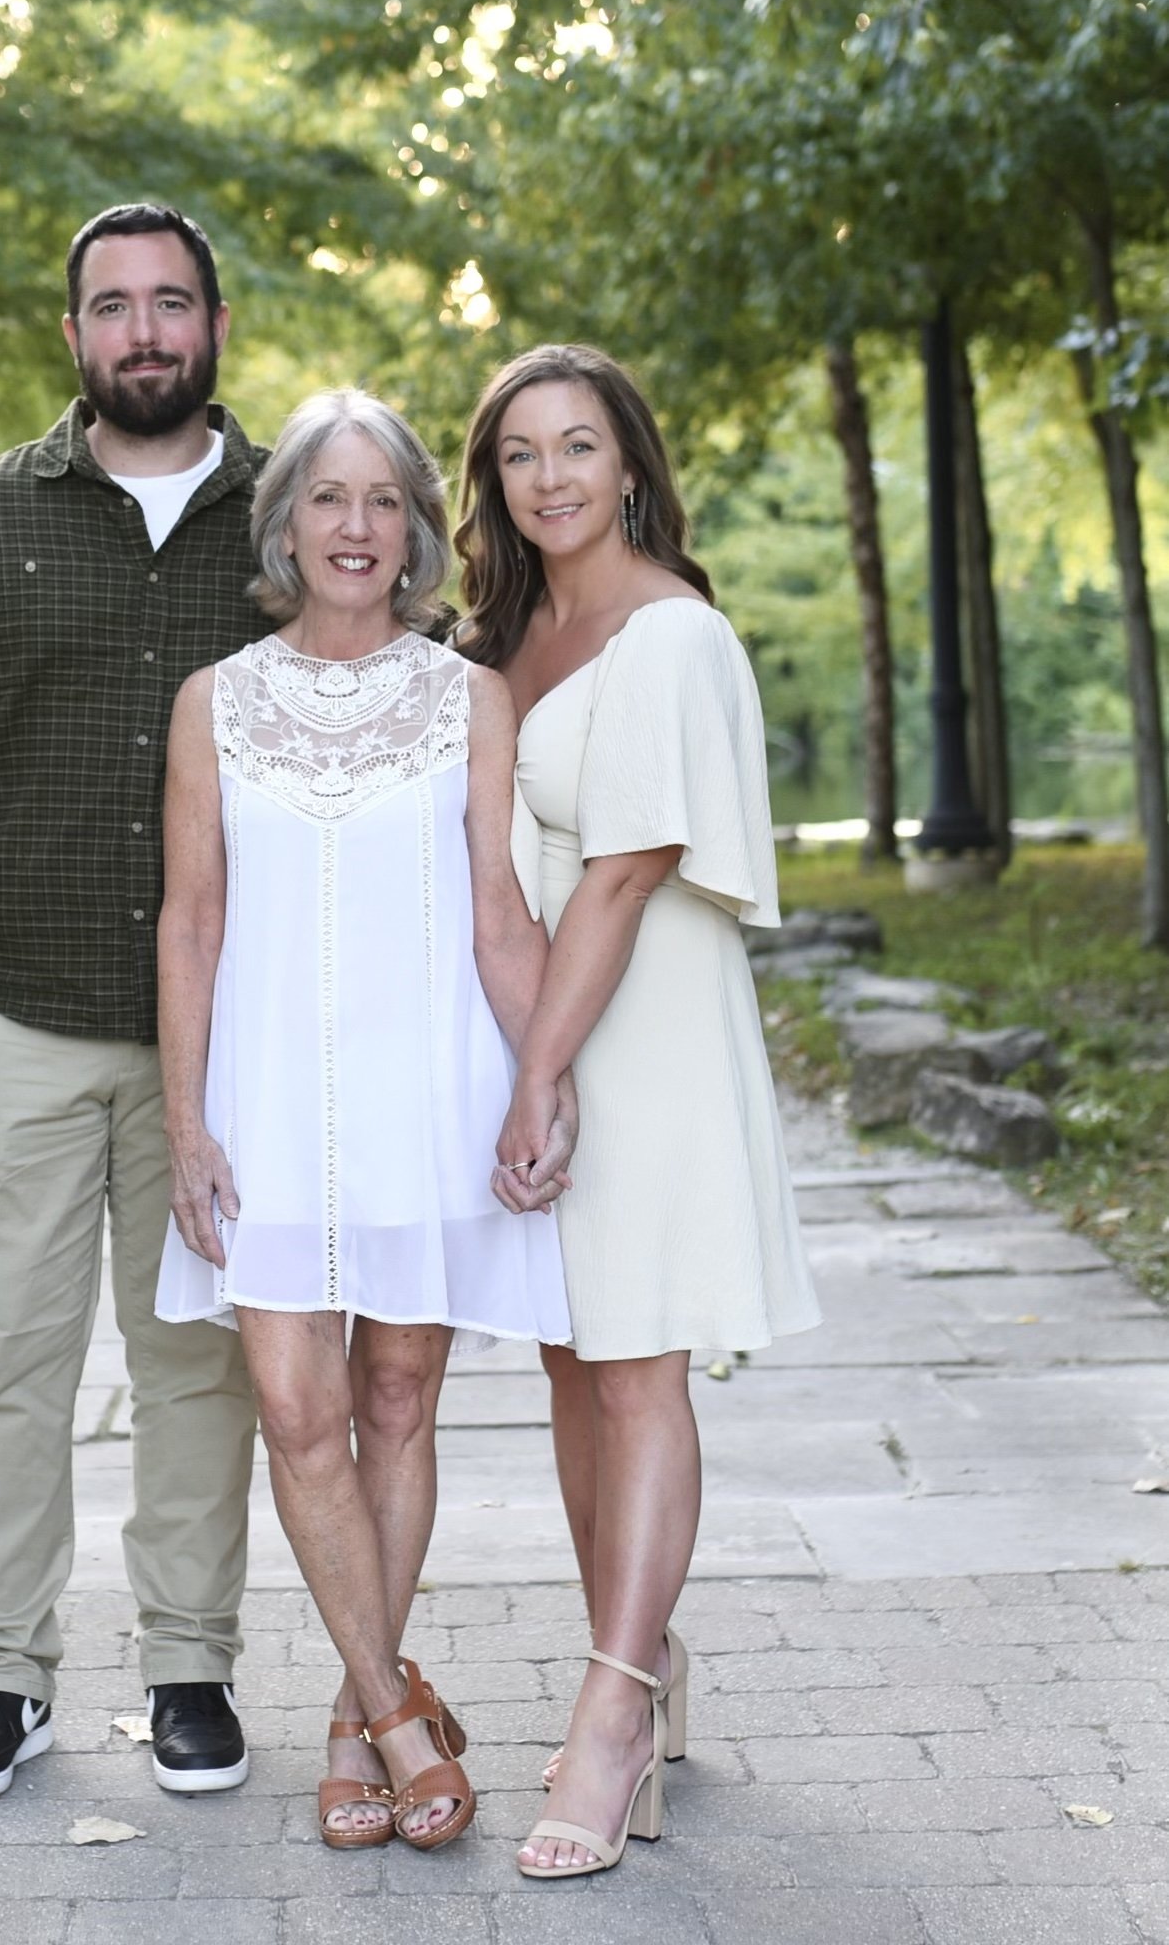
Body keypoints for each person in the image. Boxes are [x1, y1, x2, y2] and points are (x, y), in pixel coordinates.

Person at [0, 202, 271, 1806]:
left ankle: (187, 1671)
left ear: (214, 324)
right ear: (72, 334)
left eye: (170, 302)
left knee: (199, 1364)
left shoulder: (292, 524)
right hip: (1, 1017)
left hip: (217, 1041)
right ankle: (0, 1677)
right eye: (111, 305)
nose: (142, 330)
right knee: (2, 1360)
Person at [155, 388, 573, 1854]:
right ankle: (401, 1709)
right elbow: (190, 919)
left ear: (413, 530)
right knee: (296, 1408)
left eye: (381, 501)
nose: (353, 527)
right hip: (261, 1105)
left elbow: (500, 915)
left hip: (424, 1093)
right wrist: (184, 1122)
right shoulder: (213, 699)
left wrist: (539, 1079)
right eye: (325, 500)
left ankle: (349, 1718)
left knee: (396, 1399)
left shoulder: (472, 698)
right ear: (284, 527)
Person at [456, 342, 820, 1881]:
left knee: (636, 1363)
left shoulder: (668, 635)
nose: (551, 478)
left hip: (639, 1028)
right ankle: (645, 1655)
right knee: (567, 1355)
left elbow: (622, 868)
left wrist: (543, 1071)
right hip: (545, 1018)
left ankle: (608, 1719)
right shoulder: (515, 629)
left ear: (630, 463)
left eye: (579, 447)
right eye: (521, 454)